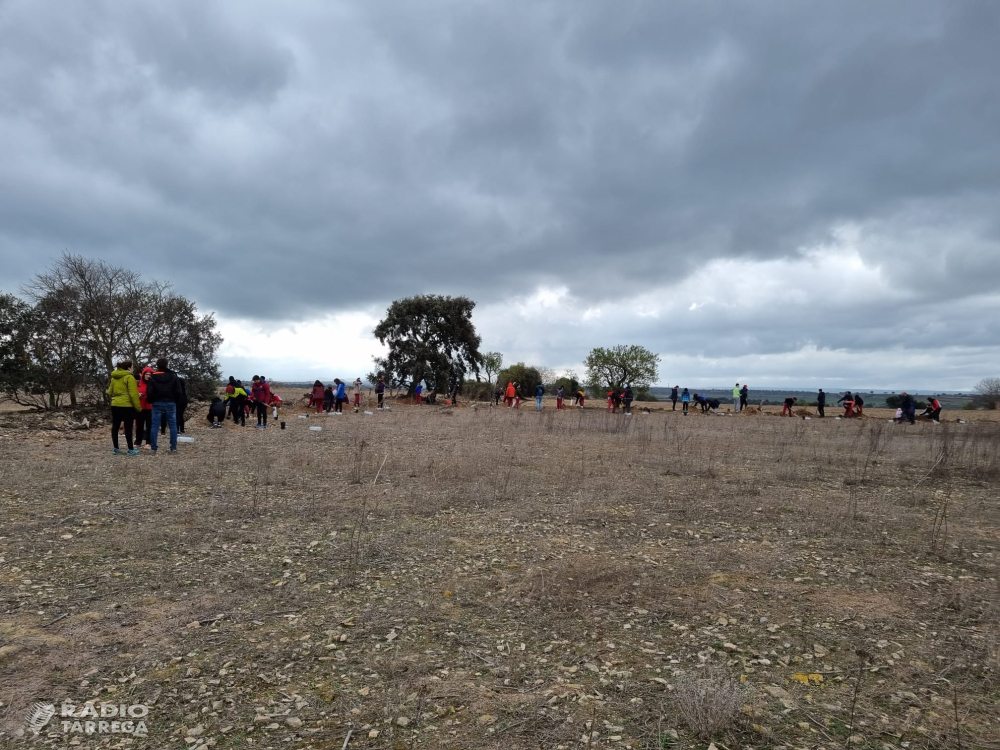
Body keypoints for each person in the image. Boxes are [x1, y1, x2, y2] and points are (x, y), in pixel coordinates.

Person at [147, 358, 184, 453]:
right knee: (173, 425)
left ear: (157, 365)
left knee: (154, 425)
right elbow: (179, 391)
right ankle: (173, 447)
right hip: (170, 402)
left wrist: (151, 400)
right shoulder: (173, 376)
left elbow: (149, 392)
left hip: (157, 402)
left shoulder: (152, 377)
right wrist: (175, 400)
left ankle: (154, 448)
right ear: (167, 364)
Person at [107, 360, 142, 455]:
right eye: (132, 367)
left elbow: (109, 392)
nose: (133, 369)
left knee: (115, 426)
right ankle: (130, 449)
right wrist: (138, 407)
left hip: (115, 404)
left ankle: (116, 448)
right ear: (129, 368)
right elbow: (133, 394)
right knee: (128, 427)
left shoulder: (114, 378)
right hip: (127, 406)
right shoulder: (130, 377)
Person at [134, 367, 154, 449]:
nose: (148, 376)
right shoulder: (137, 383)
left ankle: (149, 442)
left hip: (150, 408)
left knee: (149, 426)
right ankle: (138, 442)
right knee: (139, 426)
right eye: (146, 374)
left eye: (150, 374)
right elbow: (132, 393)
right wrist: (137, 395)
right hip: (140, 407)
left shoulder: (153, 383)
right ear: (143, 374)